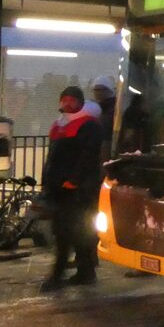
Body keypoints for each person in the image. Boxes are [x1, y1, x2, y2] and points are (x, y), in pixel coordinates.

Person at [40, 86, 104, 291]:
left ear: (80, 102)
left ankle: (60, 274)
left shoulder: (87, 126)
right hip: (63, 188)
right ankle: (84, 271)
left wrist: (74, 181)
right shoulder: (61, 125)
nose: (67, 104)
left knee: (67, 232)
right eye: (64, 99)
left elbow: (87, 157)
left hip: (75, 191)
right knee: (72, 232)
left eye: (71, 100)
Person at [90, 75, 117, 161]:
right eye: (96, 90)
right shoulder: (98, 107)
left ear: (109, 90)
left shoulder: (112, 108)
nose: (98, 93)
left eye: (101, 90)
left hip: (107, 145)